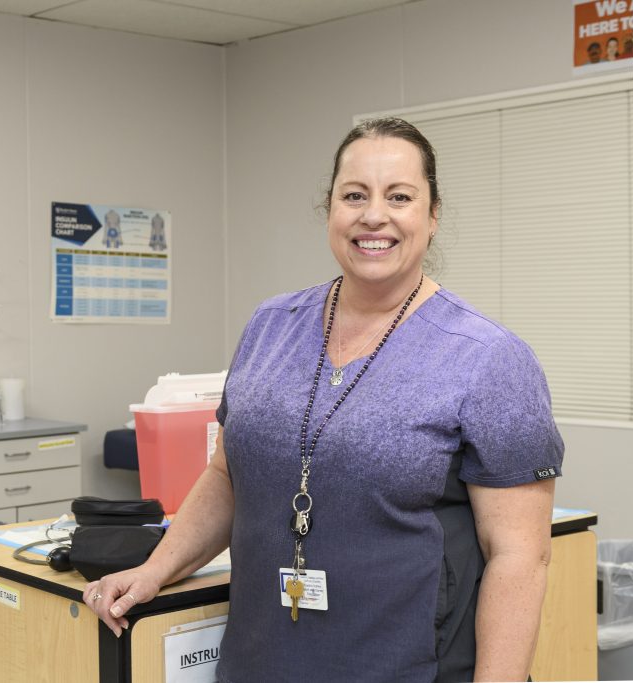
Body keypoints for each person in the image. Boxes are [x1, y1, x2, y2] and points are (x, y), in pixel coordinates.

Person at [83, 117, 564, 682]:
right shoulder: (270, 326)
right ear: (330, 210)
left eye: (400, 196)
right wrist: (155, 568)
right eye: (354, 195)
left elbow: (519, 557)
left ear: (433, 217)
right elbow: (226, 476)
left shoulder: (488, 357)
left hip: (410, 667)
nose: (373, 215)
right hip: (262, 662)